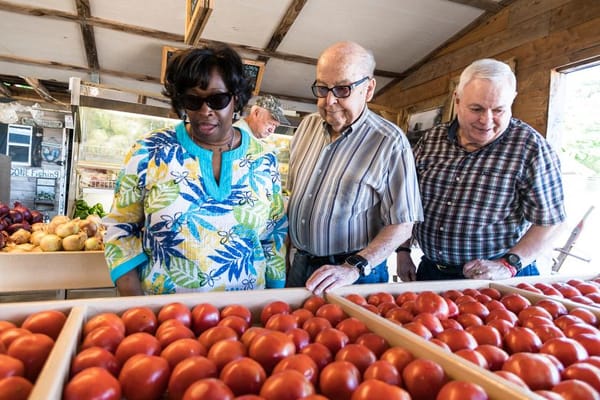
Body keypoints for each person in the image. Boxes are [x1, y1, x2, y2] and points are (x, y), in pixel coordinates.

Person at [103, 45, 288, 296]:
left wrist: (274, 301)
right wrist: (134, 303)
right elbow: (120, 227)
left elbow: (273, 237)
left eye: (217, 99)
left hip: (245, 316)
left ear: (236, 99)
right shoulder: (149, 151)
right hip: (165, 317)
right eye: (193, 100)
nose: (205, 111)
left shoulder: (264, 160)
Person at [397, 58, 566, 282]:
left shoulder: (530, 148)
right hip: (431, 271)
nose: (486, 120)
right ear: (457, 101)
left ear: (512, 101)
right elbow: (406, 203)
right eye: (476, 109)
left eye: (498, 110)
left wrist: (508, 265)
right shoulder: (431, 140)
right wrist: (403, 251)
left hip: (498, 275)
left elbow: (552, 222)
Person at [286, 41, 423, 295]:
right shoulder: (306, 126)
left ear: (368, 89)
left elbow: (403, 222)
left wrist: (355, 266)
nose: (329, 101)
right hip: (300, 264)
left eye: (342, 89)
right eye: (322, 88)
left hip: (354, 274)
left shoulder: (390, 142)